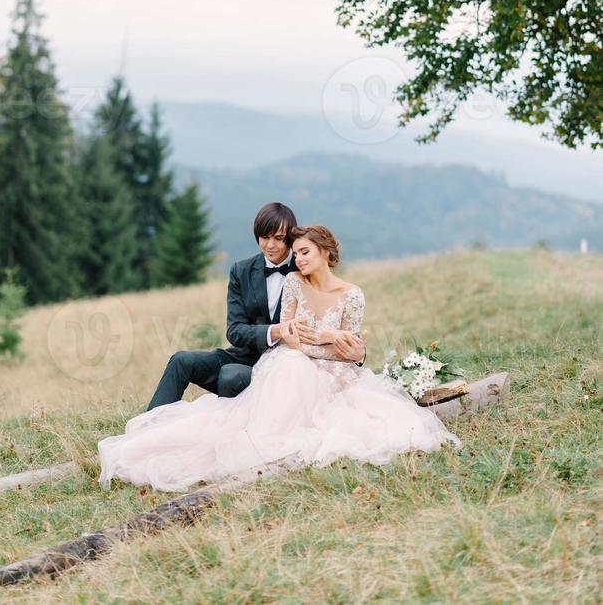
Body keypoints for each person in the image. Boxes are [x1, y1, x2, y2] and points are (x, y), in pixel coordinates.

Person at [99, 225, 461, 493]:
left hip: (335, 373)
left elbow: (349, 348)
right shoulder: (292, 284)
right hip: (287, 361)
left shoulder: (353, 295)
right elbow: (290, 338)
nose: (298, 259)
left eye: (305, 252)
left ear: (325, 253)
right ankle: (153, 431)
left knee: (352, 409)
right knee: (288, 365)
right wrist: (328, 338)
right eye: (297, 252)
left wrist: (353, 350)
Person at [146, 202, 366, 409]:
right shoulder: (240, 271)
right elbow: (235, 330)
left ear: (290, 238)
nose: (270, 245)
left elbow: (333, 314)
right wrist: (276, 330)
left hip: (291, 363)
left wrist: (357, 353)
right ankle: (149, 426)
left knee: (231, 376)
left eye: (279, 238)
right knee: (181, 361)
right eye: (264, 237)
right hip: (244, 354)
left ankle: (235, 432)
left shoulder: (303, 269)